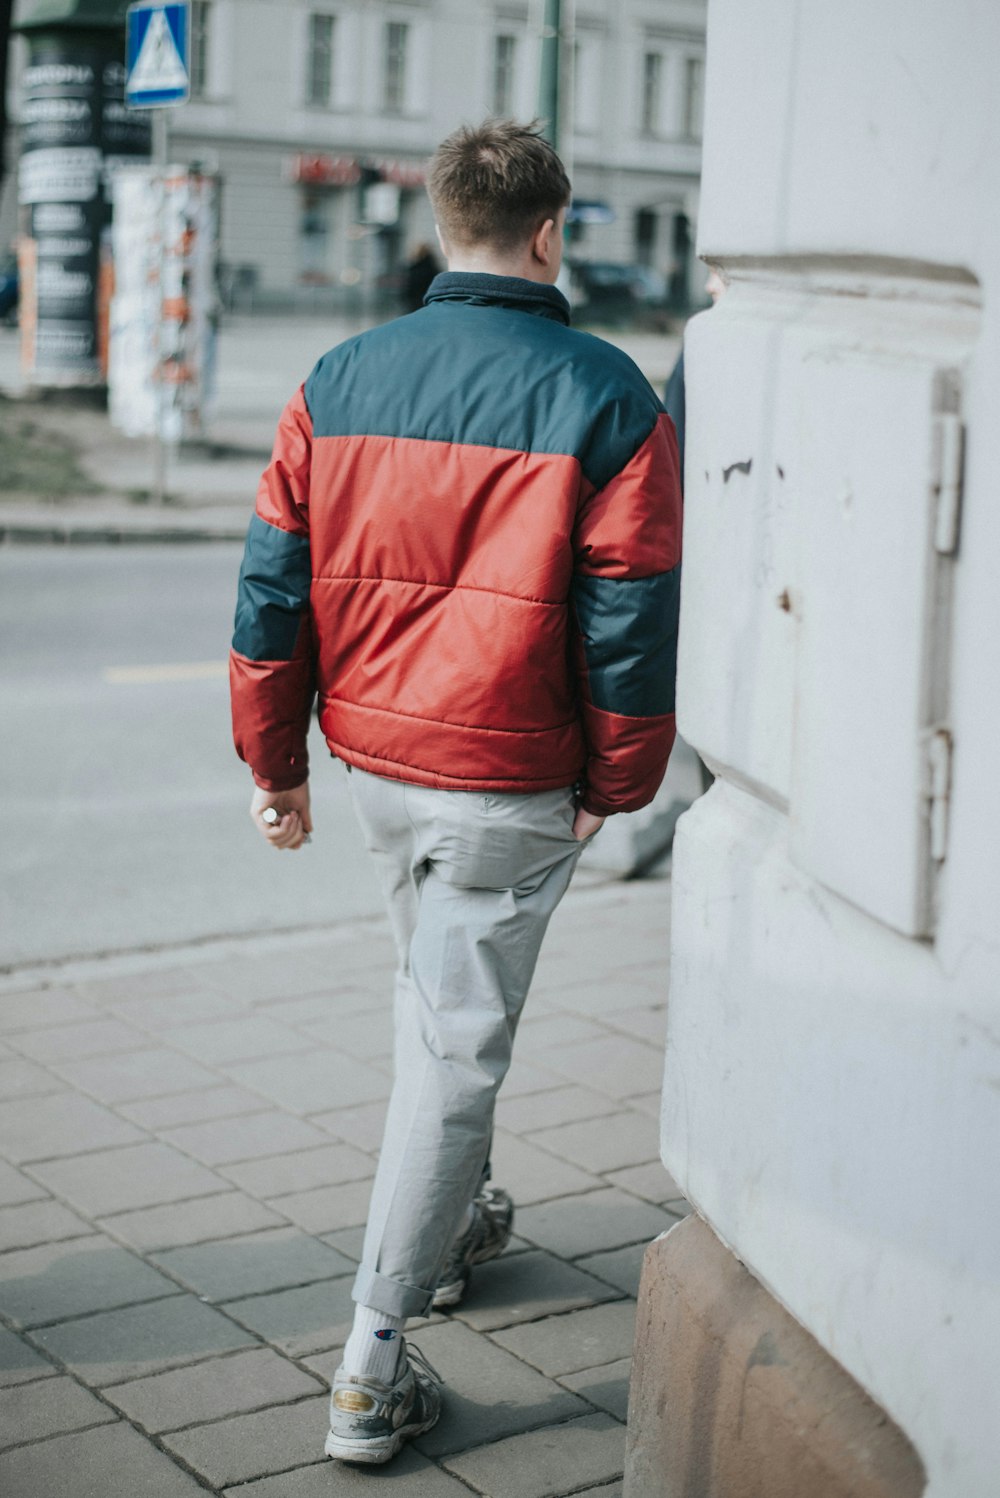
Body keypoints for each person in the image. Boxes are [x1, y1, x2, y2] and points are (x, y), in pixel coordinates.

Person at [229, 119, 682, 1466]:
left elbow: (268, 589)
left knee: (431, 1003)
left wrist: (276, 762)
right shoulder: (610, 397)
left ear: (440, 225)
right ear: (552, 232)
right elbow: (631, 620)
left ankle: (455, 1215)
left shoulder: (339, 373)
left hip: (378, 764)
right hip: (510, 774)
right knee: (454, 1045)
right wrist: (623, 779)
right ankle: (372, 1357)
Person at [401, 240, 440, 311]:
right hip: (427, 301)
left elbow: (409, 286)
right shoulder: (432, 267)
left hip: (414, 301)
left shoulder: (414, 268)